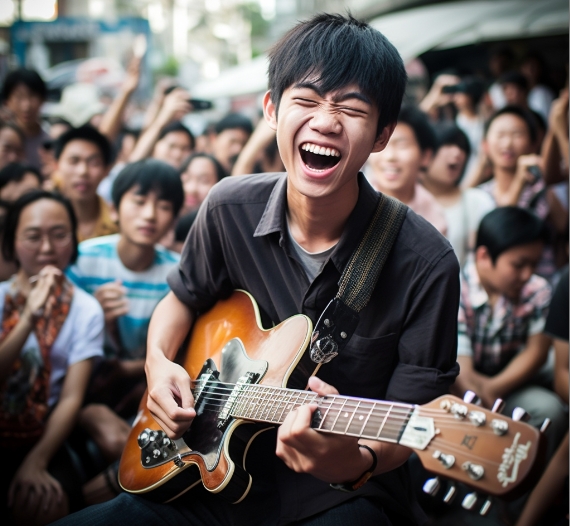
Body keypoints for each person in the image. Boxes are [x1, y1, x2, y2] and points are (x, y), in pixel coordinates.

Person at [54, 13, 460, 526]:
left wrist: (354, 461)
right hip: (198, 474)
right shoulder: (227, 208)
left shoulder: (427, 263)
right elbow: (182, 298)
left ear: (382, 135)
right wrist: (159, 365)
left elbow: (417, 418)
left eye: (350, 109)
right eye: (307, 101)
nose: (326, 122)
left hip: (338, 498)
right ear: (271, 109)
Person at [66, 159, 183, 464]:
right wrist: (95, 318)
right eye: (139, 201)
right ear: (115, 209)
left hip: (147, 390)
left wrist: (130, 370)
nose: (149, 214)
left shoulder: (178, 274)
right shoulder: (83, 260)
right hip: (83, 389)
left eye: (164, 205)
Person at [0, 190, 104, 525]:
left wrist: (37, 461)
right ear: (12, 241)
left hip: (43, 436)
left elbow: (71, 398)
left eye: (59, 236)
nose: (46, 249)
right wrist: (29, 317)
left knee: (46, 505)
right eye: (33, 236)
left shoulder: (86, 309)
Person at [452, 207, 567, 459]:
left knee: (551, 411)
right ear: (484, 256)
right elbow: (463, 370)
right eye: (518, 265)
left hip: (513, 383)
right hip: (462, 386)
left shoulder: (537, 290)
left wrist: (494, 388)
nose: (527, 275)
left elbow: (536, 352)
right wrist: (482, 395)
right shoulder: (455, 287)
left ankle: (517, 495)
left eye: (534, 265)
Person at [367, 104, 448, 235]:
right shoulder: (346, 202)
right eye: (381, 143)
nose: (390, 156)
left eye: (402, 145)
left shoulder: (433, 217)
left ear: (425, 156)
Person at [422, 124, 494, 265]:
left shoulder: (478, 201)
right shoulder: (402, 199)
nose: (457, 152)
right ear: (426, 153)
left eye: (462, 147)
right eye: (447, 144)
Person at [53, 125, 118, 242]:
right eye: (74, 161)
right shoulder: (44, 221)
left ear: (106, 170)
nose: (83, 171)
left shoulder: (117, 224)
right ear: (57, 166)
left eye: (94, 163)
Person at [0, 68, 50, 170]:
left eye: (32, 96)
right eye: (19, 97)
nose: (26, 106)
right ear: (7, 102)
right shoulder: (3, 139)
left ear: (42, 100)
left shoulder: (50, 140)